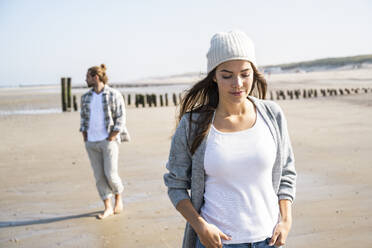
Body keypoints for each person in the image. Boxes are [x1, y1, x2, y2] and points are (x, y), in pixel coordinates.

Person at [163, 31, 297, 248]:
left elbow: (287, 173)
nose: (238, 83)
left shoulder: (272, 115)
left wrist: (286, 220)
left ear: (254, 72)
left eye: (245, 74)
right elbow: (175, 184)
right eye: (227, 75)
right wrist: (200, 226)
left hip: (269, 240)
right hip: (218, 242)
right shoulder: (193, 124)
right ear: (214, 76)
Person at [80, 64, 129, 219]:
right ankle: (107, 206)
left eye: (87, 76)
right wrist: (85, 138)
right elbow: (83, 119)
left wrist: (112, 136)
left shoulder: (114, 94)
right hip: (91, 143)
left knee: (110, 174)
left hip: (108, 141)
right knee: (99, 176)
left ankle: (118, 198)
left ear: (96, 77)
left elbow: (121, 116)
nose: (85, 79)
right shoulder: (85, 97)